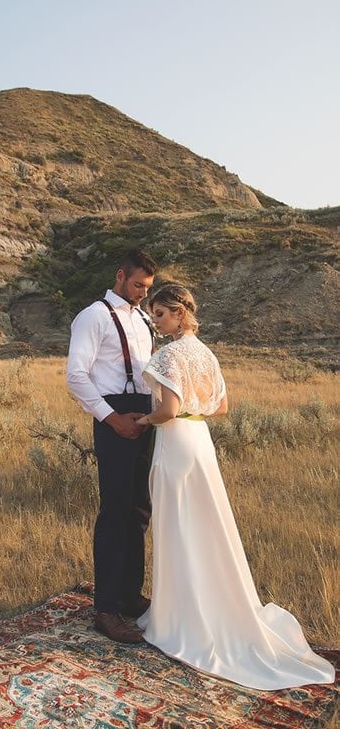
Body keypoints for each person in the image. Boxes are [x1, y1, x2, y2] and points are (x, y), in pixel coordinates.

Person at [135, 281, 335, 690]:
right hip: (200, 442)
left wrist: (142, 420)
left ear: (179, 313)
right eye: (153, 314)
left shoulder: (170, 354)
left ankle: (177, 619)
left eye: (159, 314)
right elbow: (221, 407)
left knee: (177, 526)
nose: (155, 322)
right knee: (206, 526)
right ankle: (202, 606)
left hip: (175, 442)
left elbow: (167, 410)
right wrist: (192, 409)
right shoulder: (206, 353)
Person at [67, 248, 157, 643]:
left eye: (147, 287)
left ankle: (129, 596)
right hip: (114, 415)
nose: (142, 293)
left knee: (140, 510)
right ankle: (105, 609)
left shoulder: (142, 319)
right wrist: (111, 418)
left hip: (145, 417)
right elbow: (76, 376)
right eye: (138, 285)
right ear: (120, 276)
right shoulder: (93, 316)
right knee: (115, 511)